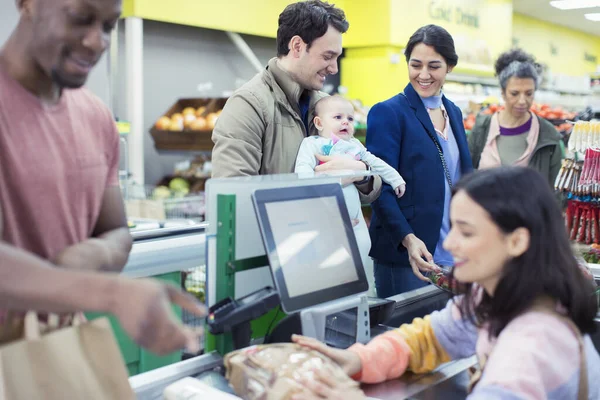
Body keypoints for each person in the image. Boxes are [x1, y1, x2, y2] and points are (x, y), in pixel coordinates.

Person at [0, 0, 204, 355]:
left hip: (53, 355)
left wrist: (98, 252)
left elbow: (117, 232)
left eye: (109, 26)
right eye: (80, 19)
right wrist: (107, 292)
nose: (97, 42)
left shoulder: (96, 118)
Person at [292, 167, 600, 400]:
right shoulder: (496, 295)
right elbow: (432, 337)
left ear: (517, 241)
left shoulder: (530, 351)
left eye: (466, 232)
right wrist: (360, 359)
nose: (449, 244)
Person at [211, 0, 381, 204]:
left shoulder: (326, 105)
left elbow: (372, 187)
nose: (334, 68)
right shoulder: (248, 105)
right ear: (297, 46)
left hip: (328, 233)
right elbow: (231, 197)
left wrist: (361, 173)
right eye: (328, 56)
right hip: (278, 235)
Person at [365, 25, 473, 297]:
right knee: (405, 336)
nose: (423, 75)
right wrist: (408, 239)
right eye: (416, 65)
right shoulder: (389, 113)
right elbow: (380, 188)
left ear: (450, 66)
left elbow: (461, 176)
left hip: (454, 251)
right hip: (408, 255)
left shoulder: (454, 112)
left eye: (434, 66)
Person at [295, 95, 405, 295]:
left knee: (364, 247)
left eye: (350, 118)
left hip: (355, 218)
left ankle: (361, 293)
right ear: (319, 123)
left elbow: (375, 163)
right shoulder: (311, 144)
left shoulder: (355, 145)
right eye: (337, 117)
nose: (345, 121)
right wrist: (325, 185)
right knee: (334, 261)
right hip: (325, 216)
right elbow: (302, 173)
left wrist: (395, 178)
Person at [468, 48, 563, 186]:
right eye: (514, 93)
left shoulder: (548, 135)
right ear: (502, 92)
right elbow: (467, 176)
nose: (522, 101)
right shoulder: (482, 128)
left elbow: (556, 191)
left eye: (529, 93)